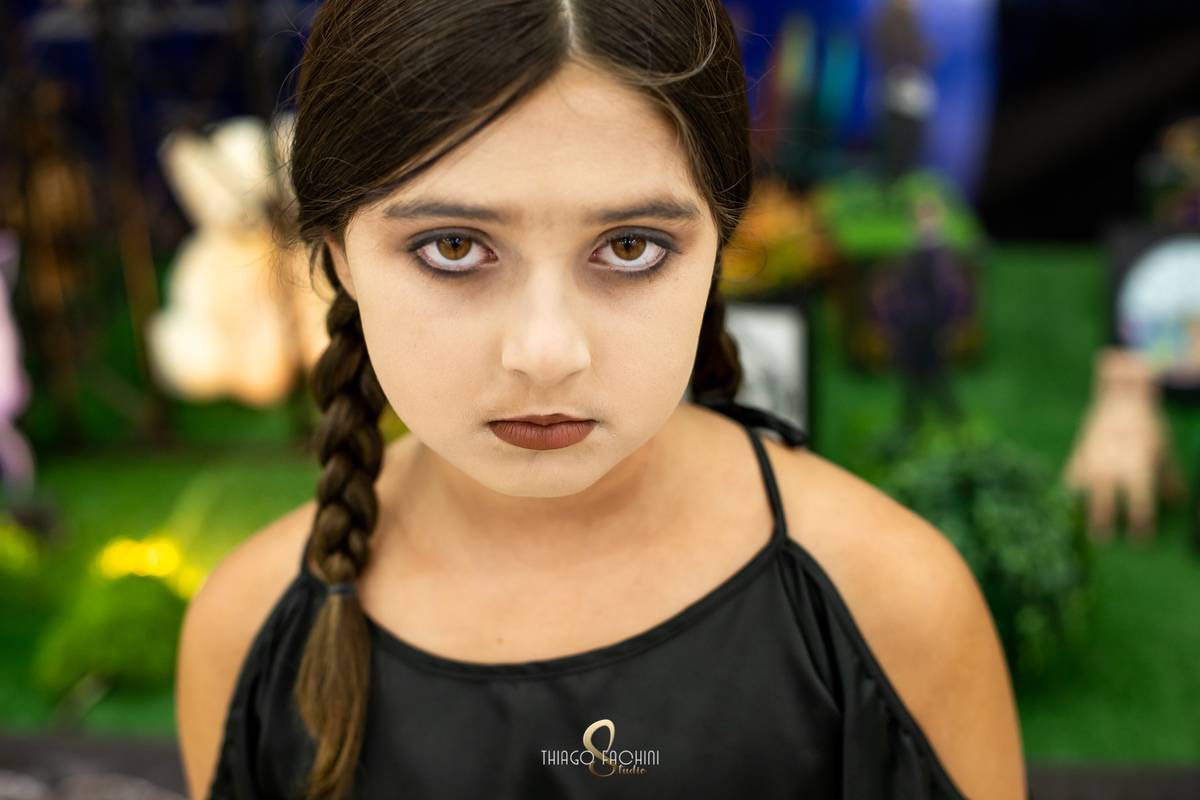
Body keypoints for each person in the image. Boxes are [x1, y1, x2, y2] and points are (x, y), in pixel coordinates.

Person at [176, 1, 1026, 798]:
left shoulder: (891, 605)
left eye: (629, 247)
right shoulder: (246, 632)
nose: (547, 355)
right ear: (338, 254)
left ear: (720, 241)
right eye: (454, 246)